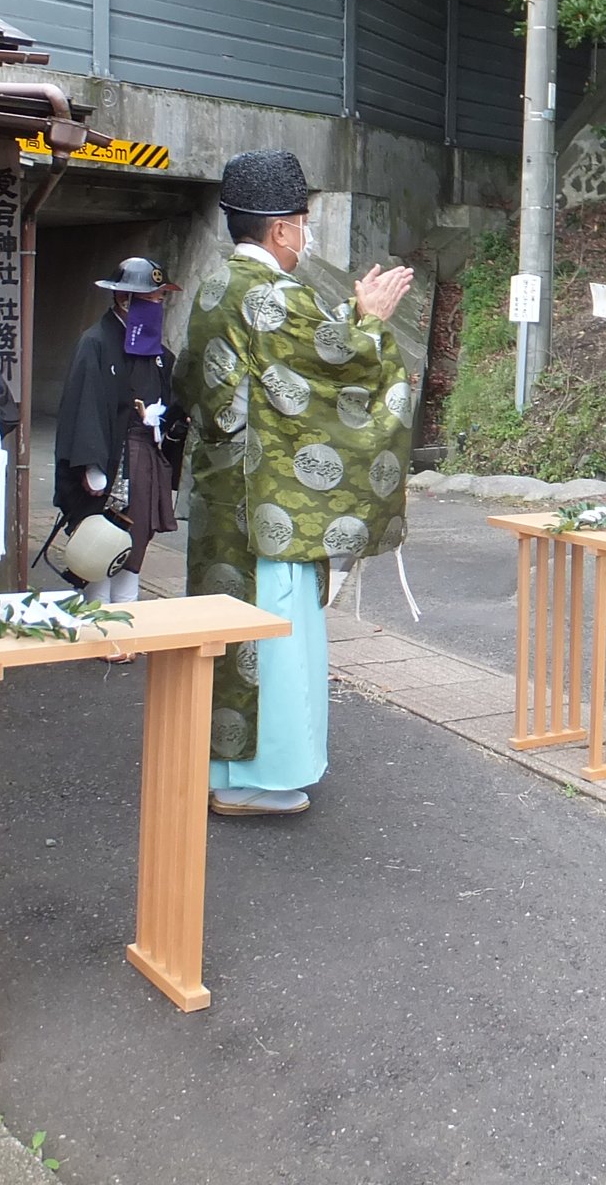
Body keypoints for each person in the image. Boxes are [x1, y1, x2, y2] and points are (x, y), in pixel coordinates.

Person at [177, 149, 414, 817]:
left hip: (222, 495)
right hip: (268, 505)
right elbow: (335, 372)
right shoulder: (271, 296)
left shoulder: (216, 286)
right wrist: (367, 322)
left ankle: (220, 768)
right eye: (303, 224)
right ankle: (259, 779)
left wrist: (349, 324)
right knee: (271, 640)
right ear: (282, 229)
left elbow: (258, 375)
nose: (304, 237)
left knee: (228, 637)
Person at [54, 257, 186, 632]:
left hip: (146, 452)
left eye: (162, 298)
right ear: (126, 298)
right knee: (102, 539)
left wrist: (169, 421)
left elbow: (171, 401)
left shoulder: (158, 352)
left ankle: (126, 622)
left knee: (136, 539)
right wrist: (91, 465)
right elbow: (85, 404)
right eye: (154, 297)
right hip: (111, 458)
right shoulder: (95, 343)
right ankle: (98, 624)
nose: (158, 304)